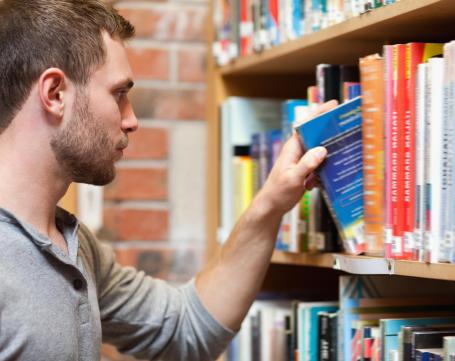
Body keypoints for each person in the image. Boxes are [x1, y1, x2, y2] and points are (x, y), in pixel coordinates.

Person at [0, 0, 336, 360]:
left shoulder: (74, 246)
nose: (131, 120)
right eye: (119, 94)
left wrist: (272, 201)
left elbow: (185, 328)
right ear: (54, 94)